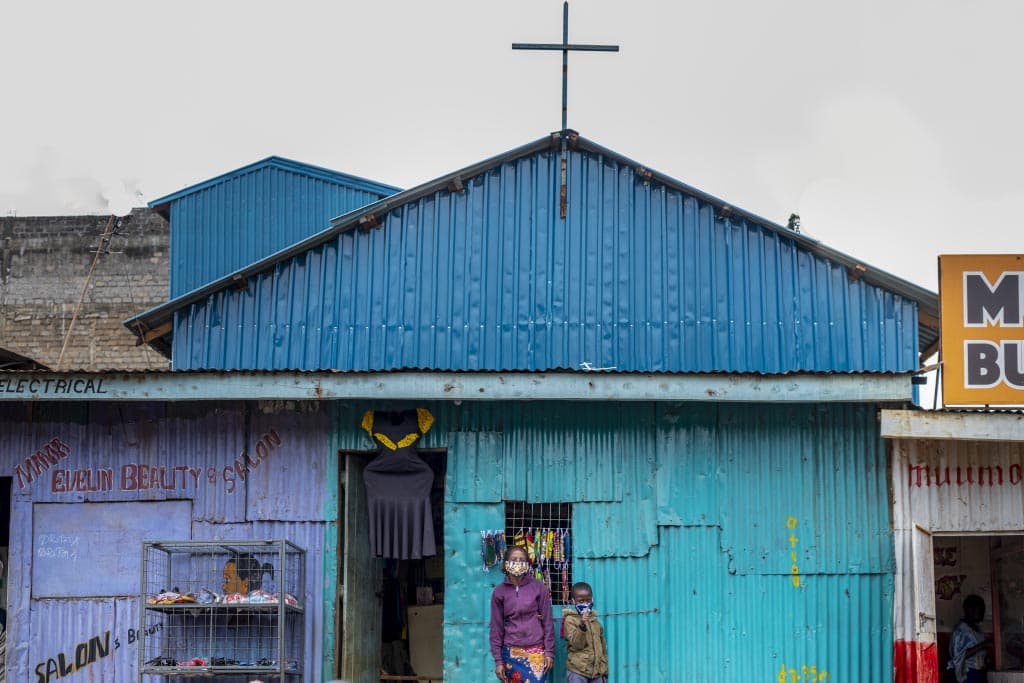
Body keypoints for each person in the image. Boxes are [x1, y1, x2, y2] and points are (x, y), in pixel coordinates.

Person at [490, 546, 554, 683]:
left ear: (527, 564)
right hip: (511, 653)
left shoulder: (538, 587)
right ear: (506, 563)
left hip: (536, 652)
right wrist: (498, 661)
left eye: (521, 560)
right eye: (513, 559)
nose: (518, 562)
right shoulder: (499, 592)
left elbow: (548, 622)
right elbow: (496, 629)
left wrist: (549, 652)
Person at [561, 582, 609, 683]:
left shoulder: (596, 622)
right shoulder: (570, 620)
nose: (586, 604)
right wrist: (582, 625)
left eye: (588, 600)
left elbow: (603, 648)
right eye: (581, 601)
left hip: (597, 673)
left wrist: (604, 671)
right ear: (573, 601)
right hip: (578, 672)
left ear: (592, 600)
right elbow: (576, 644)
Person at [948, 594, 991, 683]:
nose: (982, 613)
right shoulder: (960, 630)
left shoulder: (977, 629)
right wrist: (983, 645)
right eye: (980, 609)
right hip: (965, 673)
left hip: (978, 672)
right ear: (969, 610)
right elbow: (958, 655)